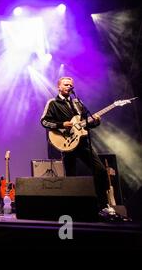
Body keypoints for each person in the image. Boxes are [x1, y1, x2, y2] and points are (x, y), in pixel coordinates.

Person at [40, 77, 109, 211]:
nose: (69, 87)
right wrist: (62, 124)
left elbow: (84, 124)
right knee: (71, 177)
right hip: (67, 143)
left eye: (71, 85)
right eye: (66, 85)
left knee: (100, 170)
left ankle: (103, 205)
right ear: (59, 87)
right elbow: (44, 122)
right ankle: (73, 208)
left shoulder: (78, 103)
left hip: (82, 144)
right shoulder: (53, 103)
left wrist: (95, 121)